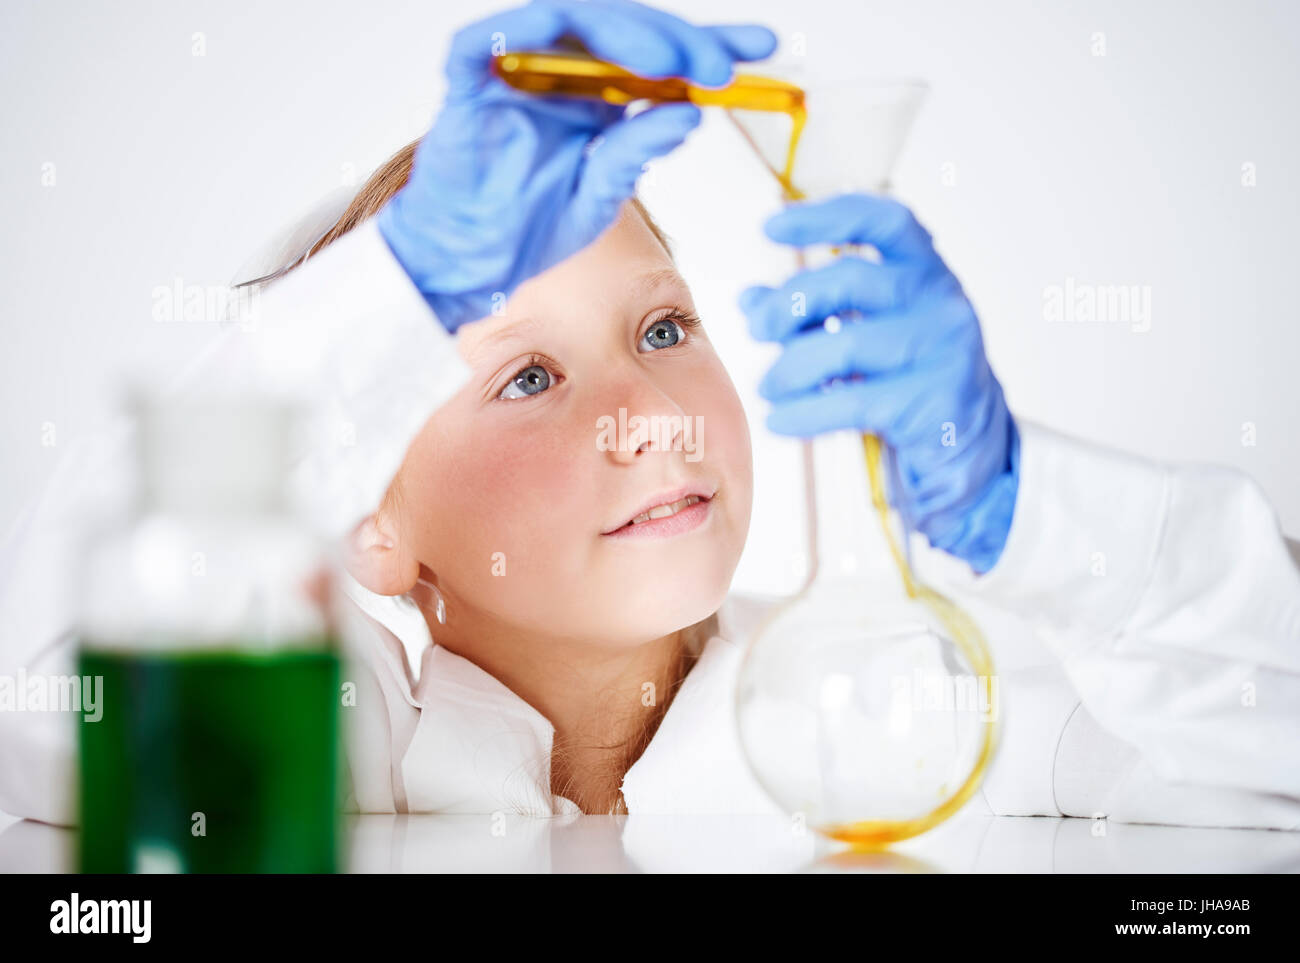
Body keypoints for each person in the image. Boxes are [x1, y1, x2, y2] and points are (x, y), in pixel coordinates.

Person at [2, 0, 1298, 829]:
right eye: (527, 377)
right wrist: (396, 294)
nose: (650, 416)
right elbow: (69, 729)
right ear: (366, 520)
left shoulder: (921, 709)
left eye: (662, 330)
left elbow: (1269, 766)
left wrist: (1036, 515)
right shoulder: (330, 748)